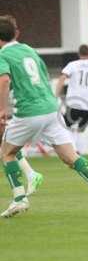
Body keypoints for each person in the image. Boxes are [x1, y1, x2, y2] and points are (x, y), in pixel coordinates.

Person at [0, 16, 88, 218]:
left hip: (29, 112)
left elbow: (4, 80)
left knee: (7, 152)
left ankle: (19, 199)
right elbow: (44, 77)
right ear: (15, 33)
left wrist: (2, 109)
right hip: (51, 109)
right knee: (70, 157)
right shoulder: (29, 50)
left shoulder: (3, 54)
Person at [1, 15, 44, 196]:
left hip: (19, 104)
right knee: (6, 142)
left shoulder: (7, 53)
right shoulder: (24, 50)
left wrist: (3, 108)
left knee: (7, 146)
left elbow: (4, 79)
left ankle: (21, 192)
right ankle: (30, 174)